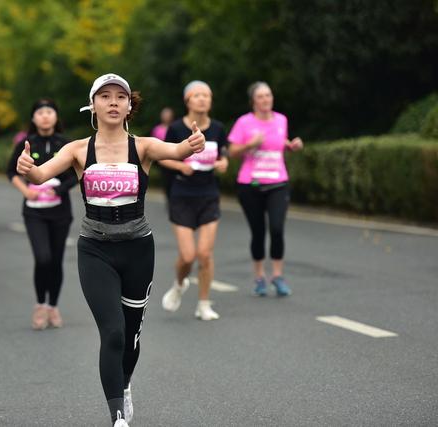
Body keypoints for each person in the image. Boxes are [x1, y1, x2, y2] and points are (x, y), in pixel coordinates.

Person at [17, 73, 205, 427]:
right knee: (113, 332)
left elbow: (179, 151)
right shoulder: (77, 150)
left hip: (138, 250)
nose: (114, 102)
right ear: (94, 106)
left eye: (121, 96)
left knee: (131, 335)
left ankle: (125, 384)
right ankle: (118, 416)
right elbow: (41, 176)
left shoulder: (144, 146)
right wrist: (27, 169)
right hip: (95, 251)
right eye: (105, 96)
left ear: (129, 106)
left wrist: (193, 143)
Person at [159, 81, 229, 321]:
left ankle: (203, 304)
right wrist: (181, 165)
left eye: (206, 95)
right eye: (196, 95)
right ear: (187, 100)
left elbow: (224, 154)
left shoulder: (218, 128)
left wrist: (223, 164)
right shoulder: (177, 129)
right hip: (182, 196)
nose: (202, 99)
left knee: (205, 254)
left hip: (208, 195)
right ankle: (179, 285)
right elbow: (162, 158)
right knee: (188, 256)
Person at [228, 81, 303, 297]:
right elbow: (232, 151)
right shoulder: (244, 123)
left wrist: (291, 145)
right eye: (260, 96)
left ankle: (277, 276)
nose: (265, 100)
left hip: (278, 183)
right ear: (253, 101)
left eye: (268, 95)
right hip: (250, 185)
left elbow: (279, 143)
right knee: (258, 231)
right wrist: (250, 144)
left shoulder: (281, 119)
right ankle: (260, 277)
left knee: (277, 229)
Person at [7, 99, 77, 330]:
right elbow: (12, 172)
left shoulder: (65, 144)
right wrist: (26, 191)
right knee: (43, 258)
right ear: (33, 118)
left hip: (60, 212)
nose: (45, 116)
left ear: (56, 117)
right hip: (34, 213)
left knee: (56, 261)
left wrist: (59, 188)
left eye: (49, 112)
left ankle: (52, 307)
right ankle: (40, 304)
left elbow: (78, 173)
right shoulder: (26, 143)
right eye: (40, 112)